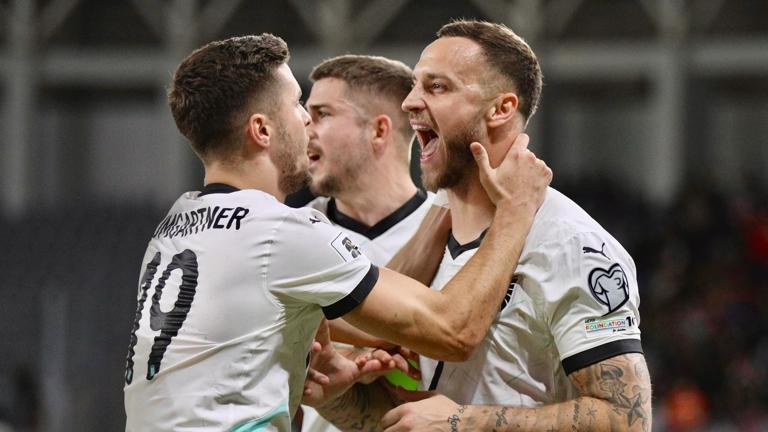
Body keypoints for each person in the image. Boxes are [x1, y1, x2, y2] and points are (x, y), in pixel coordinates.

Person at [122, 34, 552, 431]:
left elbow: (364, 321)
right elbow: (452, 332)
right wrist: (515, 209)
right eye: (297, 106)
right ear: (261, 130)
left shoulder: (177, 225)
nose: (306, 122)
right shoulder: (281, 231)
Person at [306, 20, 653, 431]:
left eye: (437, 87)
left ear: (501, 108)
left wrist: (463, 421)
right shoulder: (431, 240)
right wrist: (338, 399)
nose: (410, 102)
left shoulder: (571, 243)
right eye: (416, 85)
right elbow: (414, 422)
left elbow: (626, 418)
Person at [298, 54, 441, 432]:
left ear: (379, 131)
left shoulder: (454, 229)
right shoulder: (291, 233)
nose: (304, 128)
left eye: (322, 114)